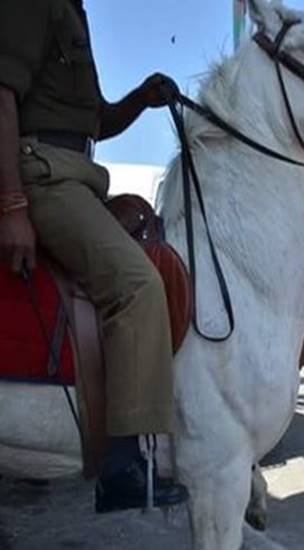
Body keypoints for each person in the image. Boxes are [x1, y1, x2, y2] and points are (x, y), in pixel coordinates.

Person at [0, 0, 187, 512]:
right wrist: (13, 202)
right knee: (137, 285)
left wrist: (141, 99)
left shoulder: (73, 12)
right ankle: (121, 466)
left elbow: (95, 123)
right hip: (42, 173)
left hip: (79, 174)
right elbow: (2, 94)